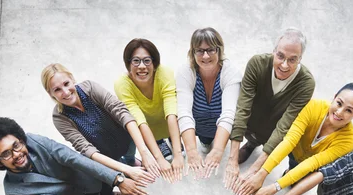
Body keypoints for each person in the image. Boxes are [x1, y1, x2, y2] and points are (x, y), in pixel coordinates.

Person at [0, 117, 147, 195]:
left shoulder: (35, 141)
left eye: (16, 145)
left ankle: (113, 194)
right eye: (6, 154)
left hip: (90, 177)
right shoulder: (14, 192)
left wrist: (118, 179)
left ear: (21, 139)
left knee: (103, 187)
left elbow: (73, 158)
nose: (16, 154)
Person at [241, 83, 353, 195]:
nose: (339, 112)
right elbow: (290, 141)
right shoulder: (314, 106)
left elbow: (312, 163)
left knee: (298, 174)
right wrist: (262, 173)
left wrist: (276, 186)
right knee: (291, 160)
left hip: (312, 165)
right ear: (334, 97)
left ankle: (291, 174)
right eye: (339, 103)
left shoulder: (348, 141)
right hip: (294, 148)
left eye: (349, 111)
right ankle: (288, 170)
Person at [223, 28, 315, 193]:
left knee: (274, 137)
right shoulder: (257, 64)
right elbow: (243, 107)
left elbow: (285, 125)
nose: (284, 65)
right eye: (280, 56)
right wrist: (231, 159)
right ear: (273, 51)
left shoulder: (306, 83)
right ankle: (251, 145)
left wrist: (256, 169)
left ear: (300, 59)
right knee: (251, 138)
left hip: (274, 130)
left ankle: (257, 148)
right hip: (253, 121)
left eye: (292, 60)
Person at [41, 63, 156, 185]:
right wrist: (127, 171)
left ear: (72, 79)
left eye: (66, 84)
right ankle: (126, 166)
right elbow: (86, 149)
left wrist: (144, 152)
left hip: (125, 137)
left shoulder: (90, 88)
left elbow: (121, 111)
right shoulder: (59, 117)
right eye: (57, 90)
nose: (65, 92)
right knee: (120, 168)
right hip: (104, 155)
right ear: (50, 94)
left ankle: (131, 160)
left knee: (130, 154)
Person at [115, 38, 184, 183]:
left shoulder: (165, 73)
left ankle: (173, 140)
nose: (141, 66)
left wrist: (177, 154)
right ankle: (159, 143)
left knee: (176, 139)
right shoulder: (122, 84)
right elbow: (139, 122)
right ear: (128, 64)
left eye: (147, 61)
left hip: (169, 122)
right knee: (158, 145)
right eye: (136, 61)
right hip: (149, 128)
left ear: (154, 63)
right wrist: (159, 158)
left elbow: (171, 112)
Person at [176, 27, 242, 179]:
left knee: (215, 146)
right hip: (199, 127)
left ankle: (214, 145)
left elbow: (228, 114)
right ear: (192, 53)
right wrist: (192, 151)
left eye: (211, 50)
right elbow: (184, 113)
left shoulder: (230, 72)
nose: (205, 56)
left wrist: (219, 150)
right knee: (205, 145)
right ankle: (206, 143)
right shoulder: (186, 72)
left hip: (222, 128)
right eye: (199, 50)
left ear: (219, 50)